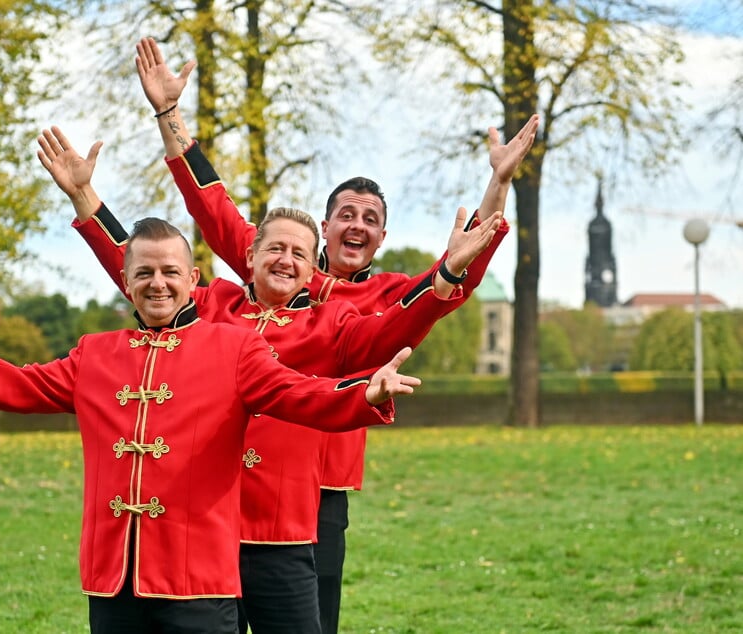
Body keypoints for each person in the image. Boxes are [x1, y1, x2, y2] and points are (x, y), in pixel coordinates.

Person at [129, 36, 540, 634]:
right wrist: (169, 115)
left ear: (380, 237)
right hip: (227, 476)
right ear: (323, 226)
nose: (357, 224)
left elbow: (456, 270)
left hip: (318, 490)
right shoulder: (282, 262)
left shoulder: (380, 299)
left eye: (370, 219)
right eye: (346, 213)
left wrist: (497, 186)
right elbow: (210, 203)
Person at [36, 125, 503, 633]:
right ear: (249, 257)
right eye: (273, 249)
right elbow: (150, 257)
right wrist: (94, 189)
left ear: (312, 271)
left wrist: (456, 262)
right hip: (201, 527)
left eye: (298, 255)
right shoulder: (212, 304)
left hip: (285, 524)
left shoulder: (335, 319)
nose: (285, 260)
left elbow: (409, 316)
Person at [0, 217, 420, 634]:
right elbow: (15, 384)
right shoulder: (95, 354)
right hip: (113, 580)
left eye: (170, 272)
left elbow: (300, 395)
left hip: (199, 582)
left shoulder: (235, 347)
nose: (157, 283)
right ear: (126, 281)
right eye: (144, 272)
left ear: (192, 278)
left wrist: (362, 392)